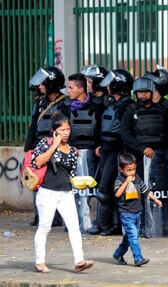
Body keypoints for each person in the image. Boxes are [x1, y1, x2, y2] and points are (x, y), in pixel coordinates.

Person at [32, 112, 93, 273]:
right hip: (47, 193)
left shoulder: (72, 151)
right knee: (45, 227)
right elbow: (38, 162)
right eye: (62, 129)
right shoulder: (45, 143)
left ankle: (79, 260)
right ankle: (40, 261)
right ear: (55, 130)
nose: (66, 132)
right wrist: (54, 145)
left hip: (66, 193)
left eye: (68, 129)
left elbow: (71, 175)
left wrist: (81, 183)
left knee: (74, 227)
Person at [121, 77, 168, 237]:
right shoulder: (131, 111)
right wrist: (142, 148)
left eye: (146, 92)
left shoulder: (163, 109)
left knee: (165, 191)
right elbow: (126, 134)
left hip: (161, 157)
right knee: (140, 192)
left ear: (151, 93)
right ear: (136, 94)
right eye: (140, 93)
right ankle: (143, 226)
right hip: (139, 158)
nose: (143, 95)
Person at [90, 68, 135, 236]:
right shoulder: (111, 103)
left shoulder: (127, 106)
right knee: (104, 188)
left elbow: (125, 132)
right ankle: (104, 224)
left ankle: (110, 225)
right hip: (106, 150)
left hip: (118, 152)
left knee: (108, 189)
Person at [25, 66, 70, 227]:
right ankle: (40, 216)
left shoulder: (65, 103)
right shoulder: (41, 102)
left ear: (50, 84)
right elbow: (33, 126)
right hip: (39, 145)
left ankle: (56, 218)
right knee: (37, 180)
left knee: (55, 180)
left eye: (43, 83)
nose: (40, 86)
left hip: (56, 146)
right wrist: (28, 148)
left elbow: (66, 127)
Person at [67, 73, 104, 233]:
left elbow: (104, 126)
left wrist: (100, 145)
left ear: (81, 89)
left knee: (92, 189)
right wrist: (68, 146)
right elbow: (59, 129)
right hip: (73, 152)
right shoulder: (65, 106)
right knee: (75, 190)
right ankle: (76, 223)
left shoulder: (97, 105)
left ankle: (93, 222)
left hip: (92, 153)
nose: (68, 91)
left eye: (71, 87)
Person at [113, 153, 162, 266]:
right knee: (134, 237)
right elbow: (117, 194)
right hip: (126, 213)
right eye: (129, 170)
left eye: (134, 169)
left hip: (137, 212)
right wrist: (126, 182)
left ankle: (118, 253)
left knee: (129, 237)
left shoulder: (137, 178)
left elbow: (146, 190)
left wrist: (156, 199)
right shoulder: (119, 180)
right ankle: (138, 258)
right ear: (121, 170)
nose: (132, 172)